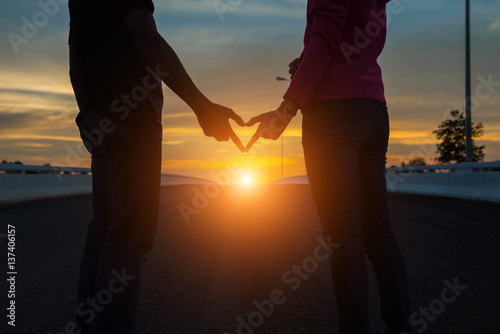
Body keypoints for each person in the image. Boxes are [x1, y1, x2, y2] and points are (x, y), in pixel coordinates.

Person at [68, 0, 245, 332]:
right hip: (134, 120)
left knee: (103, 230)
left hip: (99, 119)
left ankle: (88, 326)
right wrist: (202, 106)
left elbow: (75, 62)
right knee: (128, 234)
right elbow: (146, 38)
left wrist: (89, 114)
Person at [246, 0, 412, 333]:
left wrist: (285, 111)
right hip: (372, 108)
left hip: (333, 115)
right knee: (377, 230)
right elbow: (343, 41)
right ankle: (401, 326)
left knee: (343, 234)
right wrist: (305, 61)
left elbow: (324, 40)